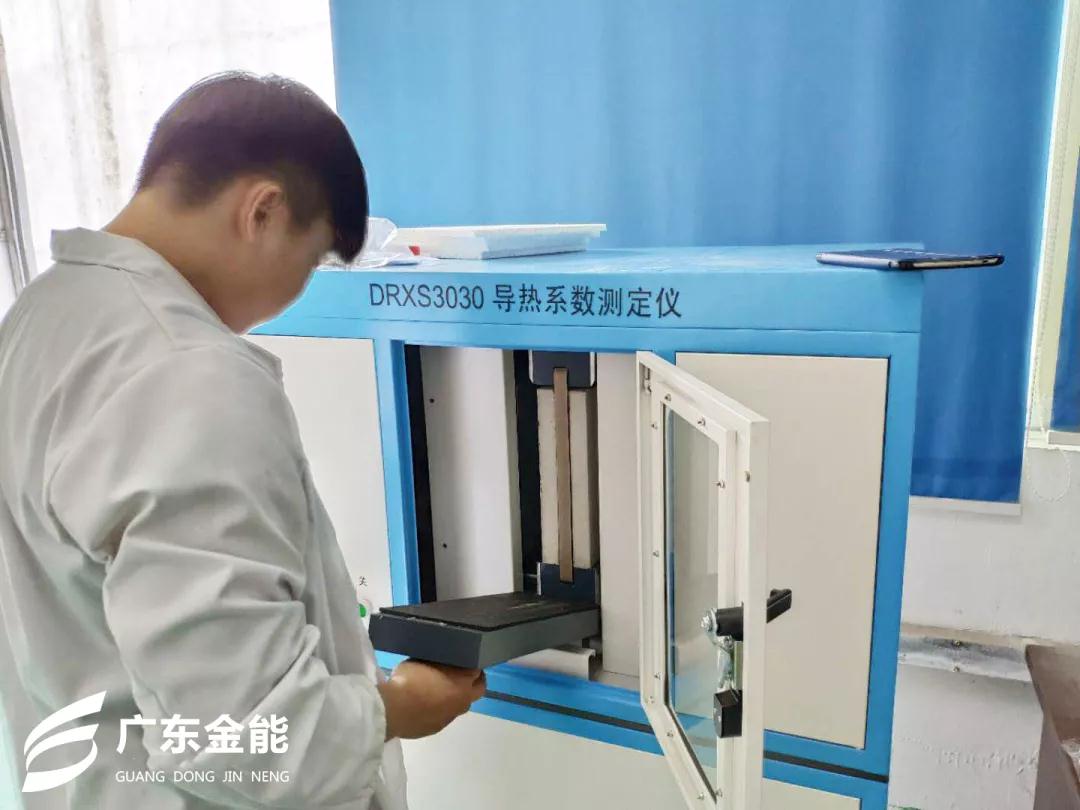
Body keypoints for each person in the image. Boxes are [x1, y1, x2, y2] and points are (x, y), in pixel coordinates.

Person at [0, 72, 485, 809]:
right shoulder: (188, 375)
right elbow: (240, 739)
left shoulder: (37, 321)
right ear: (262, 210)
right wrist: (396, 709)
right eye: (312, 260)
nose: (298, 289)